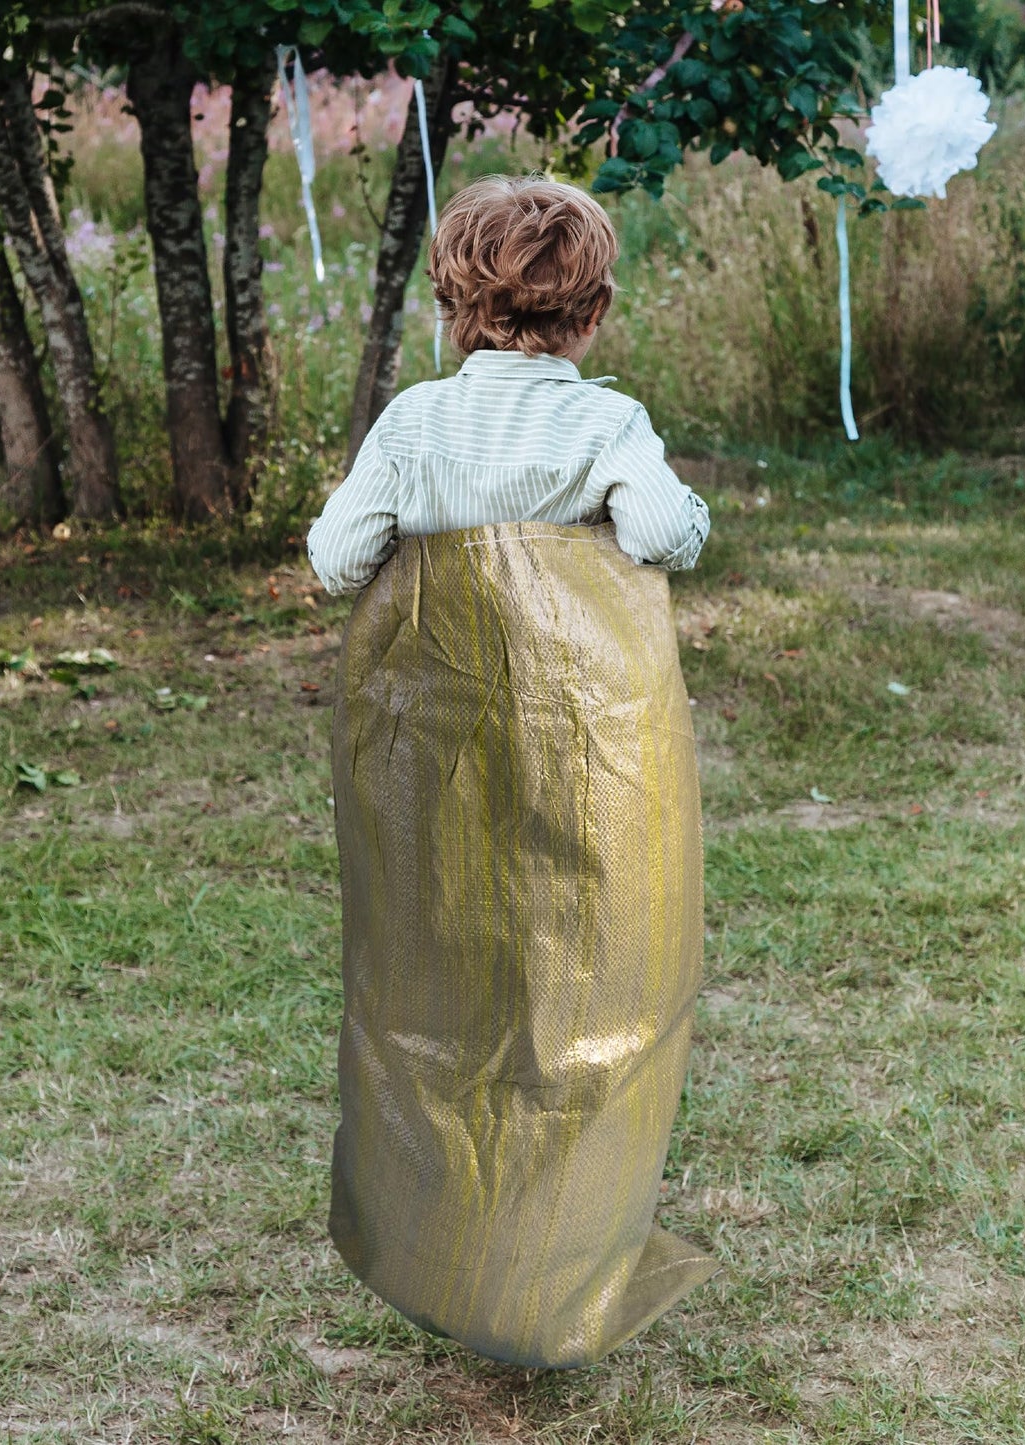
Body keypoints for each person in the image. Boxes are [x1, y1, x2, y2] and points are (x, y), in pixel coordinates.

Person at [307, 175, 714, 1370]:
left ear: (451, 303)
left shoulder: (414, 424)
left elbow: (337, 561)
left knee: (441, 985)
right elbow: (659, 535)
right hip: (585, 746)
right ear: (590, 312)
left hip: (430, 755)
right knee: (588, 983)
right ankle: (560, 1255)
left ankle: (444, 1244)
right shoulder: (604, 422)